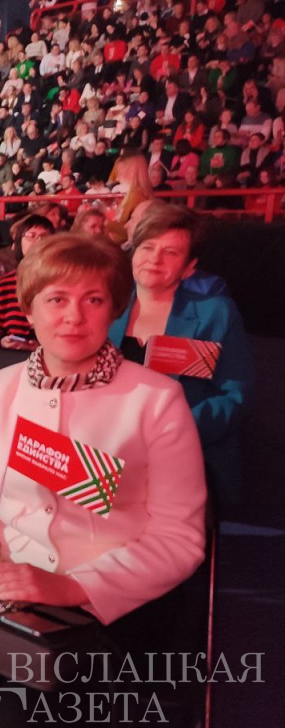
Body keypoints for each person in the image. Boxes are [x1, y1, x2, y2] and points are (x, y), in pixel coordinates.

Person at [0, 233, 207, 728]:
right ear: (30, 309)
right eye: (56, 299)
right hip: (9, 601)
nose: (73, 316)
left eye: (93, 299)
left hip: (111, 612)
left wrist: (71, 587)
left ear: (113, 308)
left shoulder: (155, 399)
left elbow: (180, 538)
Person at [107, 204, 253, 509]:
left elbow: (233, 397)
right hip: (108, 449)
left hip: (185, 455)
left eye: (171, 252)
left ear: (189, 267)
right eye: (147, 247)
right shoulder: (106, 306)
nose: (154, 259)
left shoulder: (216, 314)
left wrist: (167, 435)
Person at [0, 213, 56, 348]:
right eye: (31, 235)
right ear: (19, 243)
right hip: (11, 355)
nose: (38, 241)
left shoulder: (61, 282)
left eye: (44, 236)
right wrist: (2, 341)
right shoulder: (5, 284)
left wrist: (40, 346)